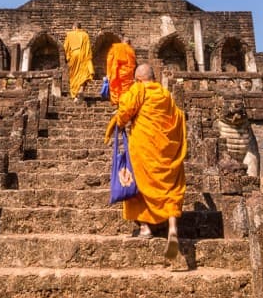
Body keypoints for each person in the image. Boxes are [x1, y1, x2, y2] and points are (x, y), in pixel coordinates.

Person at [104, 63, 187, 260]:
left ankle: (145, 227)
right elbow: (178, 117)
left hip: (144, 144)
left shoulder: (139, 89)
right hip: (165, 147)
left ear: (138, 79)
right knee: (171, 185)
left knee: (139, 182)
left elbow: (125, 111)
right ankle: (172, 226)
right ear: (153, 77)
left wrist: (119, 124)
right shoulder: (165, 94)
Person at [63, 24, 94, 100]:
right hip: (83, 55)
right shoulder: (85, 35)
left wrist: (67, 57)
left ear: (75, 27)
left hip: (74, 55)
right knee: (84, 74)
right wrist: (88, 58)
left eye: (73, 28)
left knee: (74, 75)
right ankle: (80, 90)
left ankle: (75, 95)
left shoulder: (69, 34)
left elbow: (65, 47)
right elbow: (88, 47)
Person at [105, 37, 137, 105]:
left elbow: (109, 60)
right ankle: (122, 105)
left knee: (115, 87)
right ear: (129, 43)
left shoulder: (115, 47)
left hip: (116, 72)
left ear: (122, 41)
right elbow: (133, 64)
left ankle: (116, 103)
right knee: (125, 89)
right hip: (127, 73)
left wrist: (108, 73)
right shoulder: (131, 50)